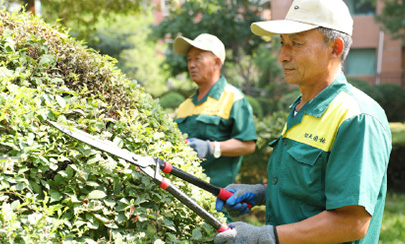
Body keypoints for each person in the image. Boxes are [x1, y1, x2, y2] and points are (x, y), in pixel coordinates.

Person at [215, 0, 392, 243]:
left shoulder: (356, 117)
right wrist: (261, 193)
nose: (282, 56)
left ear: (334, 48)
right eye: (282, 43)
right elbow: (313, 190)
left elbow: (352, 222)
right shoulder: (301, 109)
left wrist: (264, 237)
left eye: (296, 43)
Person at [172, 33, 257, 189]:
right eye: (189, 59)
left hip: (218, 198)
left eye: (197, 58)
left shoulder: (234, 98)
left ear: (216, 63)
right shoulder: (185, 105)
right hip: (183, 196)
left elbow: (248, 145)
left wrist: (212, 148)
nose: (191, 65)